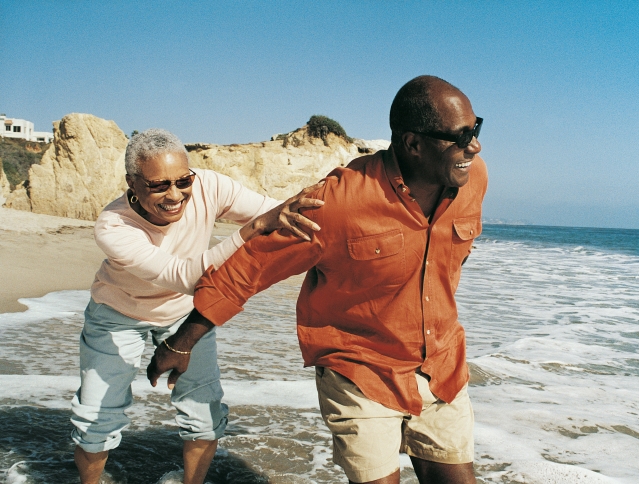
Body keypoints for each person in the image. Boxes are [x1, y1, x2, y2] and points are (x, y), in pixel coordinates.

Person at [148, 76, 488, 484]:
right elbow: (251, 268)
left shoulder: (472, 179)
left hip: (441, 367)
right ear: (413, 143)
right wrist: (181, 342)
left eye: (476, 129)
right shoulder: (338, 202)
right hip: (361, 372)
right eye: (461, 136)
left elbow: (453, 257)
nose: (475, 146)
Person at [70, 128, 323, 484]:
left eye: (183, 180)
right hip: (117, 316)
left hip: (185, 314)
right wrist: (251, 230)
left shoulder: (209, 186)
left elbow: (274, 214)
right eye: (159, 186)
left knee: (203, 413)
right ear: (132, 183)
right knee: (97, 416)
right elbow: (184, 276)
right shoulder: (113, 226)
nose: (175, 195)